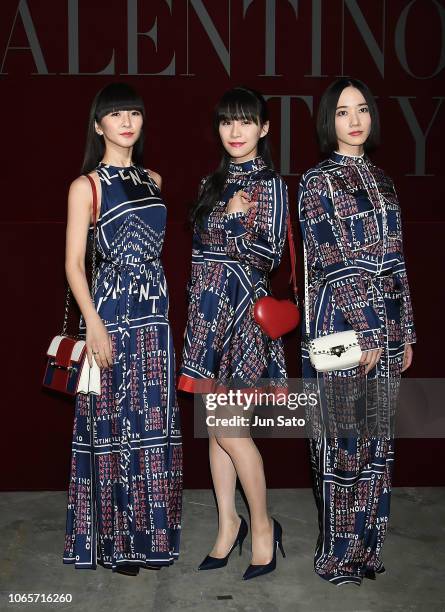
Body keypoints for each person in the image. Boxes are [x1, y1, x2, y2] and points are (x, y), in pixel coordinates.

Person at [297, 77, 416, 586]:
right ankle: (336, 556)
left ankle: (367, 550)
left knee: (375, 444)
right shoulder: (316, 181)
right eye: (343, 111)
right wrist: (367, 330)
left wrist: (403, 330)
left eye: (362, 109)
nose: (354, 119)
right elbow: (330, 258)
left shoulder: (384, 180)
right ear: (329, 121)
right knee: (340, 442)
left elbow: (395, 260)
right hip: (338, 325)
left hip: (383, 323)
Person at [62, 82, 183, 576]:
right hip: (110, 314)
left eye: (133, 113)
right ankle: (114, 544)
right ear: (99, 125)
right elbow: (72, 265)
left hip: (155, 315)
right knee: (112, 426)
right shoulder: (85, 186)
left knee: (153, 427)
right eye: (115, 115)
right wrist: (93, 323)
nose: (127, 122)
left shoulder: (154, 178)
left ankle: (149, 538)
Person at [178, 86, 289, 580]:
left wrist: (238, 222)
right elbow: (199, 252)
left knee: (230, 430)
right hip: (207, 319)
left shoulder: (273, 185)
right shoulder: (210, 182)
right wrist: (225, 216)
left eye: (246, 122)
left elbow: (269, 258)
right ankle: (228, 526)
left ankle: (262, 526)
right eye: (227, 122)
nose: (236, 131)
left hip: (244, 321)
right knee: (213, 433)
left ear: (264, 129)